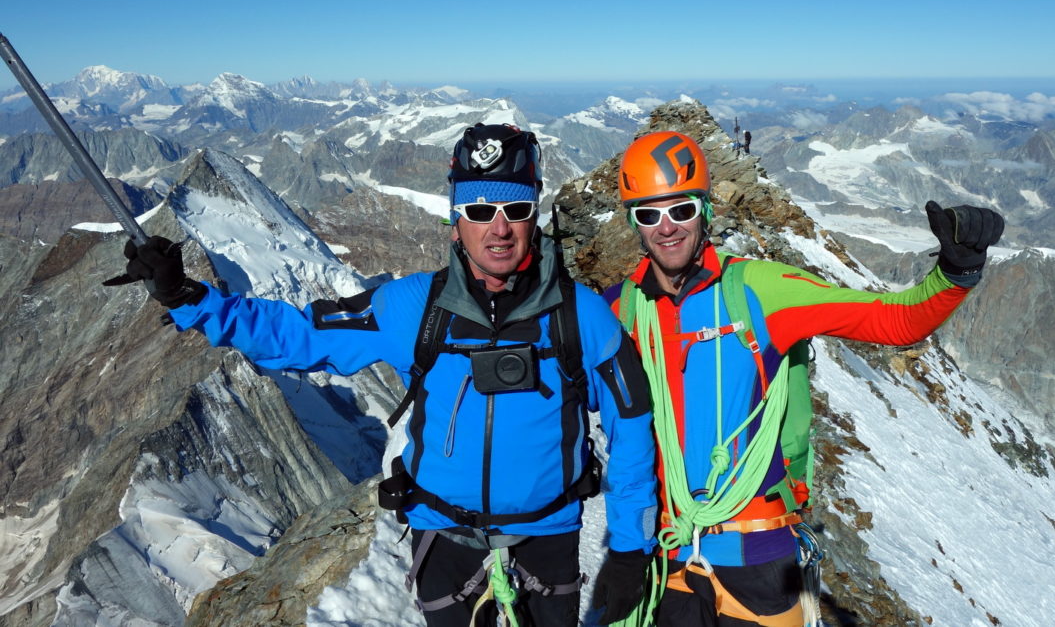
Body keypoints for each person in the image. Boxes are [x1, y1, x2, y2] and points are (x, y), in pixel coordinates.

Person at [105, 123, 658, 626]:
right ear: (455, 219)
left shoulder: (582, 316)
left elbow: (632, 428)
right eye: (480, 209)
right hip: (445, 542)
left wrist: (631, 547)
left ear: (534, 214)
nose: (498, 228)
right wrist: (189, 298)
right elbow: (303, 335)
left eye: (515, 210)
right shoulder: (413, 306)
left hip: (547, 539)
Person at [607, 131, 1004, 626]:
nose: (666, 227)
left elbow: (895, 320)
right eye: (649, 214)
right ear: (633, 225)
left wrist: (954, 272)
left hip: (758, 558)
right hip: (665, 559)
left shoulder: (758, 290)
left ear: (705, 211)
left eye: (681, 210)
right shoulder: (617, 312)